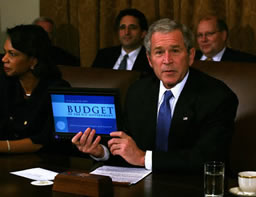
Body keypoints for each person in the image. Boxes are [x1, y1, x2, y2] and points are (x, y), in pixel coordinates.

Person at [72, 18, 238, 172]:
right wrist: (102, 152)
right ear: (150, 60)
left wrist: (143, 158)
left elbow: (208, 159)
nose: (167, 60)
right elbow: (126, 143)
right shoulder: (138, 91)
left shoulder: (217, 96)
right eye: (159, 52)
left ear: (190, 56)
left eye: (175, 50)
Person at [0, 24, 70, 153]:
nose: (4, 59)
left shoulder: (57, 89)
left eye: (12, 54)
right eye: (5, 52)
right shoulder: (5, 82)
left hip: (45, 162)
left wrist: (5, 147)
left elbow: (44, 141)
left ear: (33, 61)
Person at [92, 8, 152, 73]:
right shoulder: (103, 55)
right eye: (122, 28)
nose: (126, 32)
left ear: (143, 33)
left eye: (132, 28)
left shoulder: (150, 59)